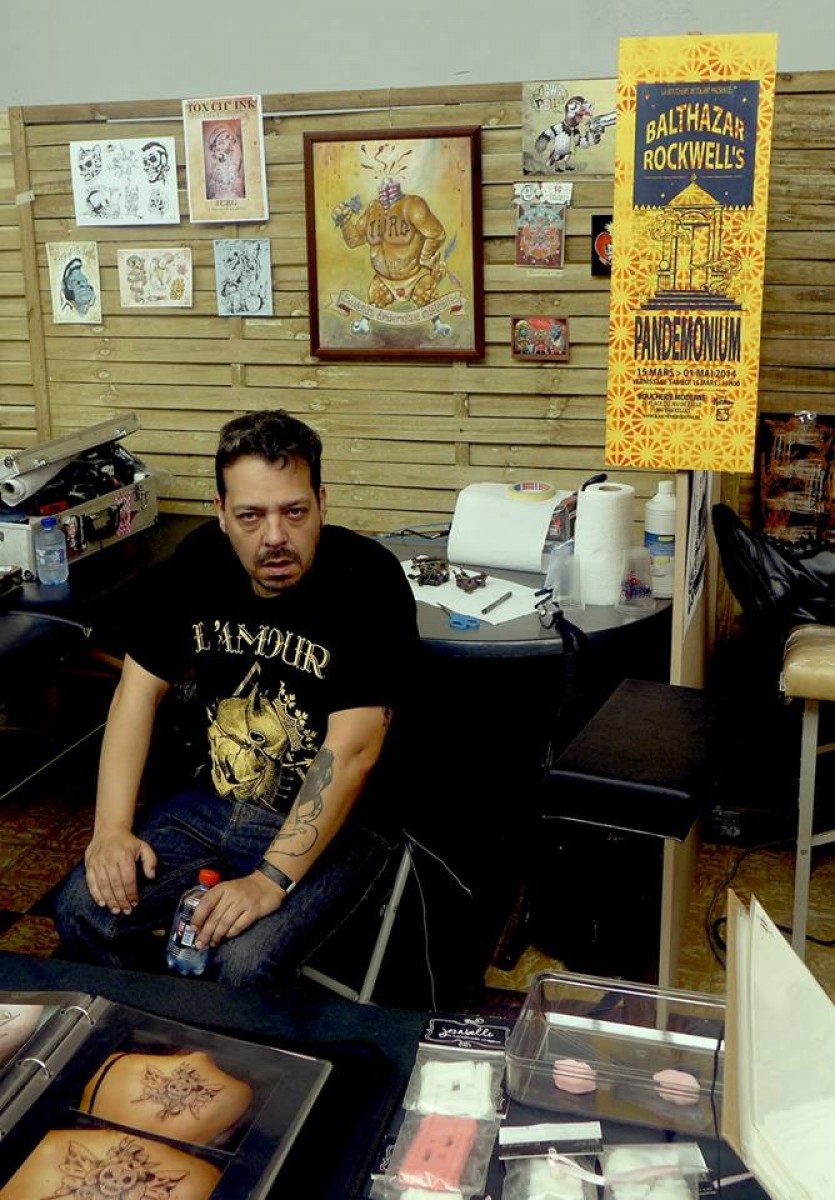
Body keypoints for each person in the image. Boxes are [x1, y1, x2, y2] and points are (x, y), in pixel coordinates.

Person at [55, 409, 419, 986]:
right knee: (82, 909)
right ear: (222, 512)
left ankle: (221, 1040)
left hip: (341, 824)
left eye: (294, 512)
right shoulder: (200, 559)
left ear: (322, 503)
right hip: (213, 801)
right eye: (251, 515)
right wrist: (111, 831)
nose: (274, 537)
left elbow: (353, 751)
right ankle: (144, 1031)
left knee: (240, 965)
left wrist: (269, 880)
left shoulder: (368, 579)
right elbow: (136, 692)